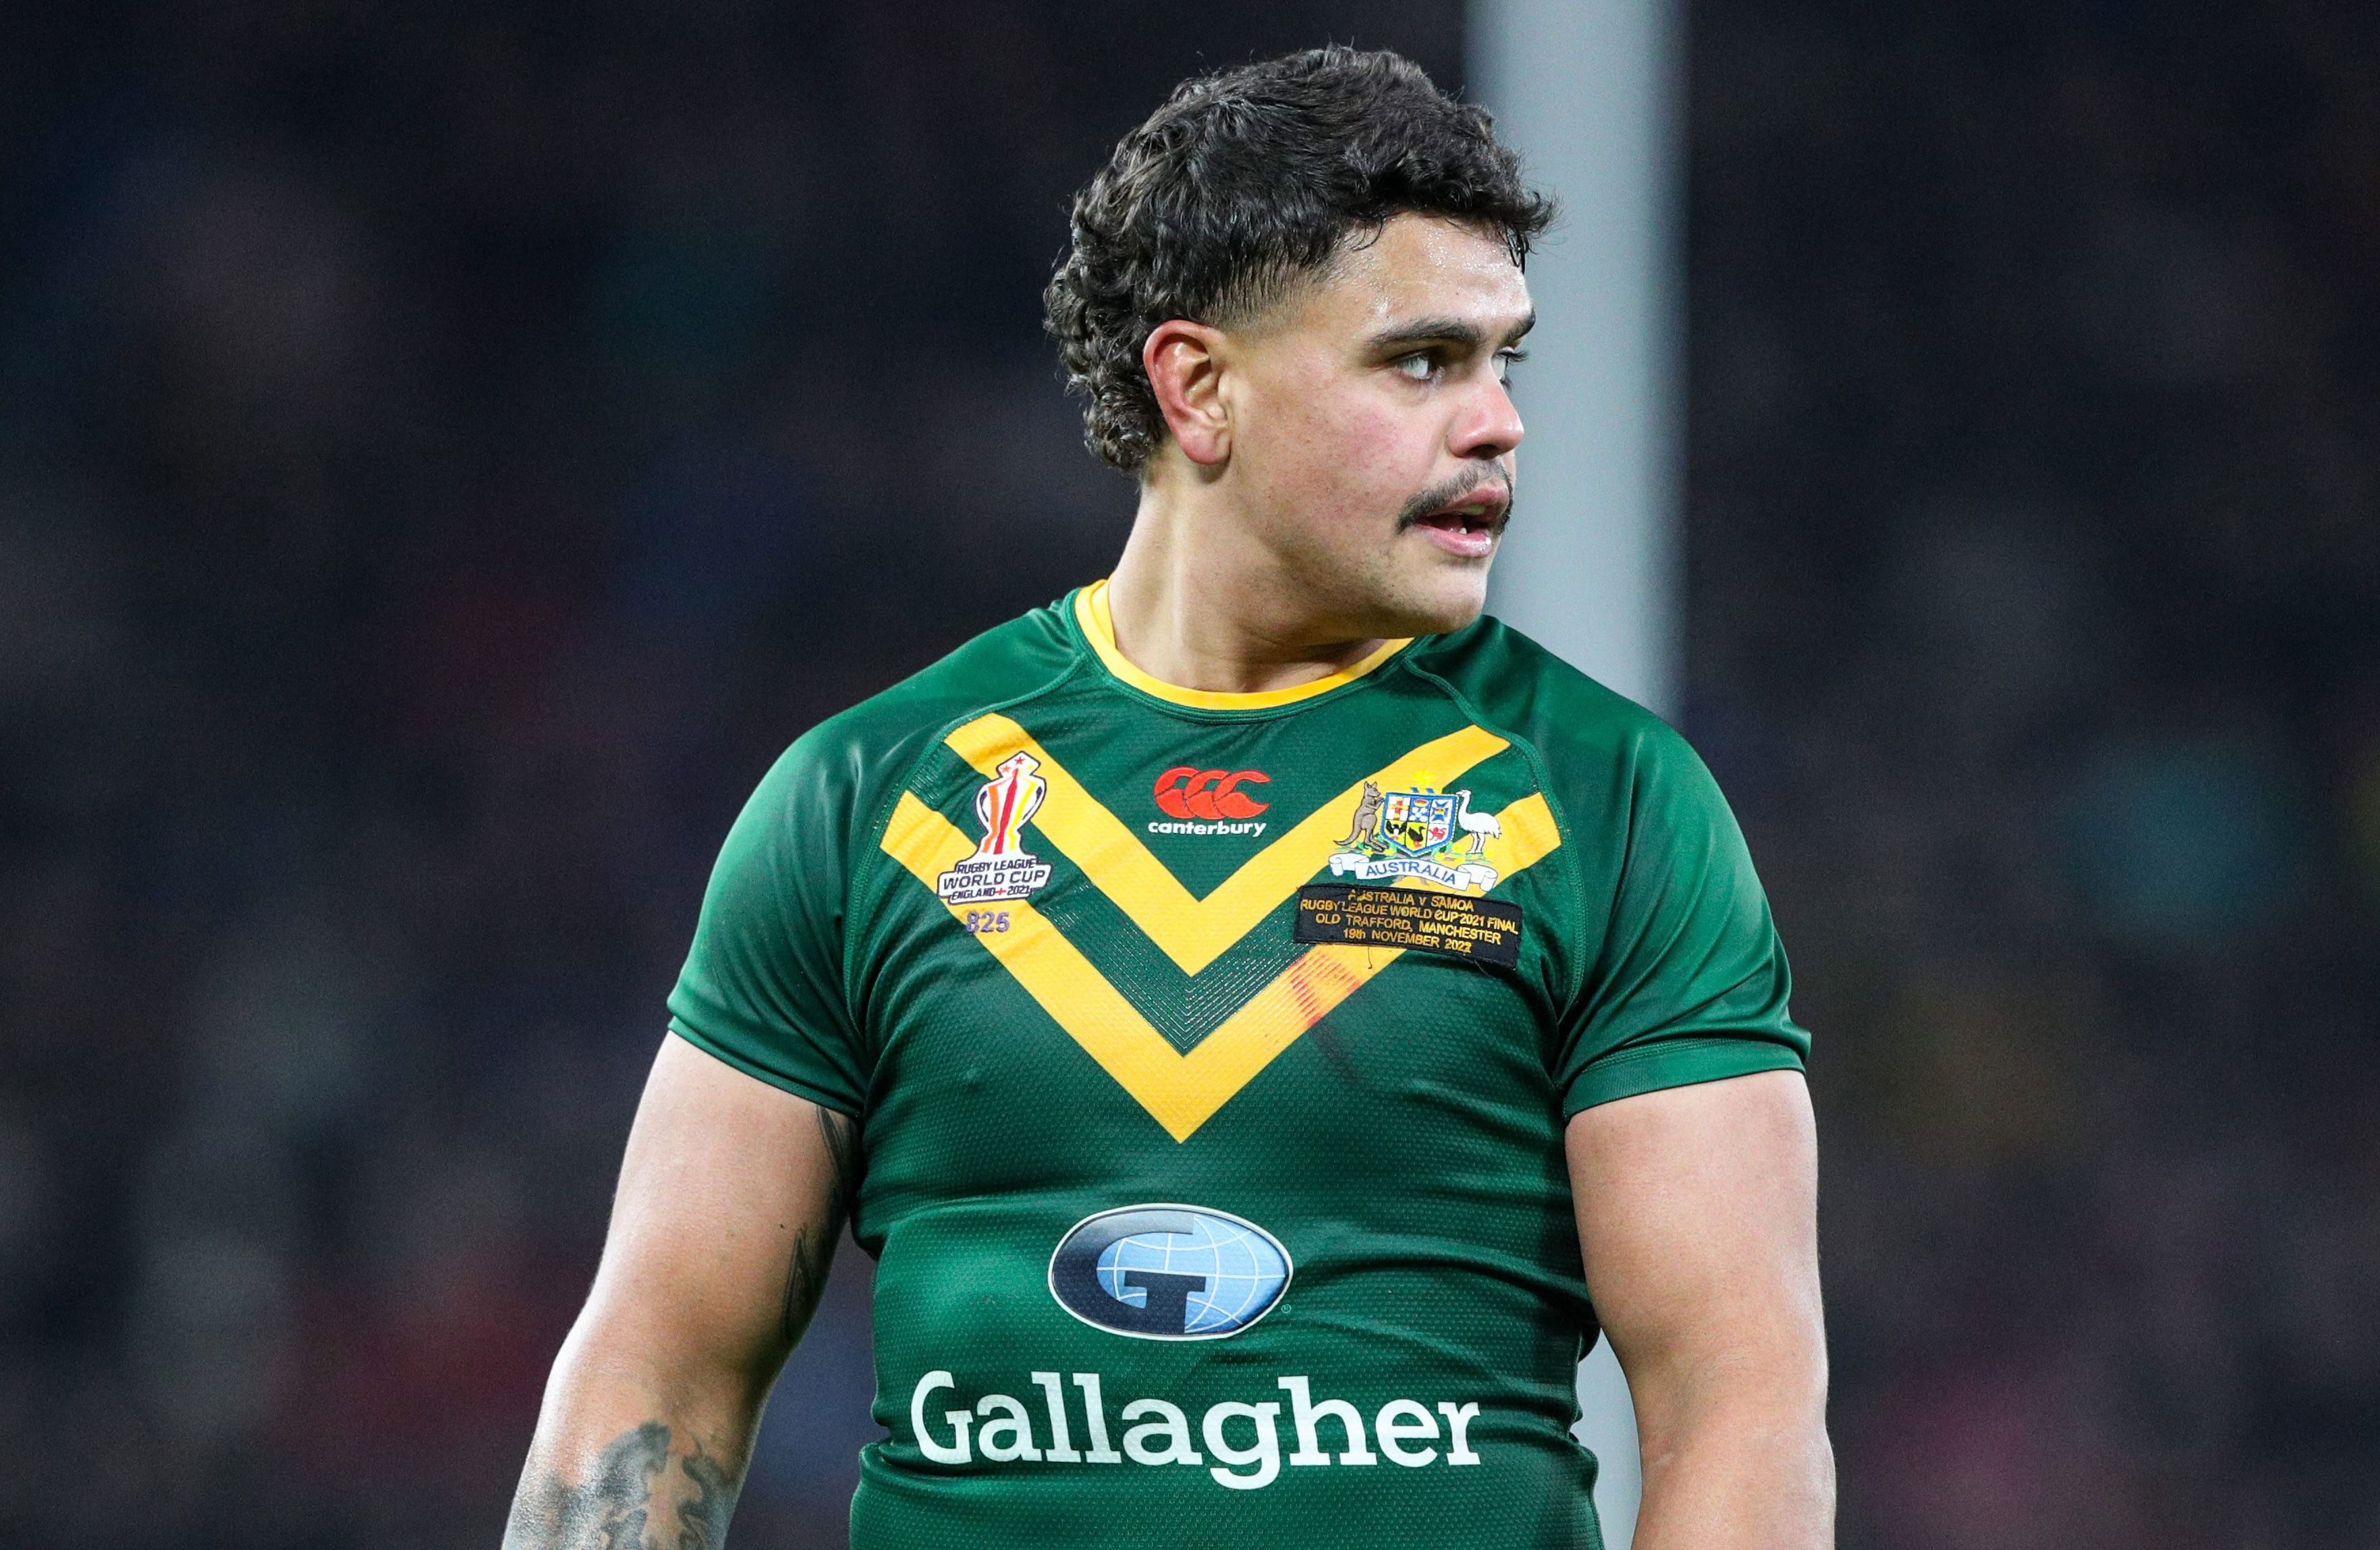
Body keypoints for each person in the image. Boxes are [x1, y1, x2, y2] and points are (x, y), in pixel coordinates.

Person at [505, 45, 1831, 1550]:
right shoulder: (867, 800)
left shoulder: (1607, 804)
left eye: (1500, 360)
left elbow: (1739, 1402)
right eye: (1419, 361)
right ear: (1198, 389)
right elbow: (662, 1369)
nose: (1497, 423)